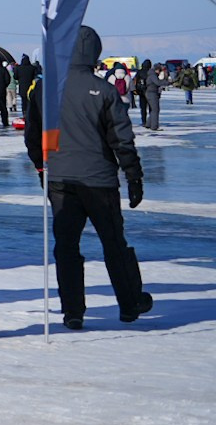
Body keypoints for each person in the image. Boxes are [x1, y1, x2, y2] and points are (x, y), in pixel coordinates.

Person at [25, 26, 151, 329]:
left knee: (66, 247)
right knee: (114, 243)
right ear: (95, 53)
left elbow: (32, 137)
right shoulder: (104, 90)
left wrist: (42, 169)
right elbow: (121, 139)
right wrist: (134, 176)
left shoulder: (44, 90)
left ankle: (72, 310)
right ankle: (130, 302)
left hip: (61, 180)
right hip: (99, 181)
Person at [139, 60, 162, 132]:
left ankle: (145, 122)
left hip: (141, 92)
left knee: (143, 108)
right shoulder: (152, 74)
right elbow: (157, 83)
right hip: (151, 92)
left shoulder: (140, 72)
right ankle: (153, 125)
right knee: (154, 109)